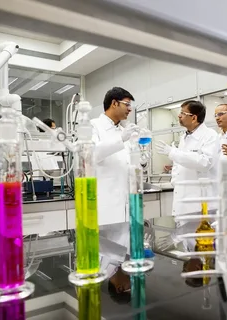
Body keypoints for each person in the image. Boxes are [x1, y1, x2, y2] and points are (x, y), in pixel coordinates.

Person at [90, 87, 140, 303]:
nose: (130, 109)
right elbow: (92, 154)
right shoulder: (94, 126)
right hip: (106, 204)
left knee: (122, 242)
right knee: (110, 244)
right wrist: (122, 138)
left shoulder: (123, 129)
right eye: (127, 104)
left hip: (125, 203)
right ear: (114, 103)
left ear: (120, 288)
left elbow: (125, 162)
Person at [155, 100, 219, 254]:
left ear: (194, 118)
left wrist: (172, 152)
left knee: (203, 251)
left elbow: (205, 162)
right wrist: (175, 180)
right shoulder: (185, 137)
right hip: (184, 202)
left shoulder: (210, 136)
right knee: (189, 253)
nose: (179, 116)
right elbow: (180, 163)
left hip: (200, 205)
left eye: (183, 113)